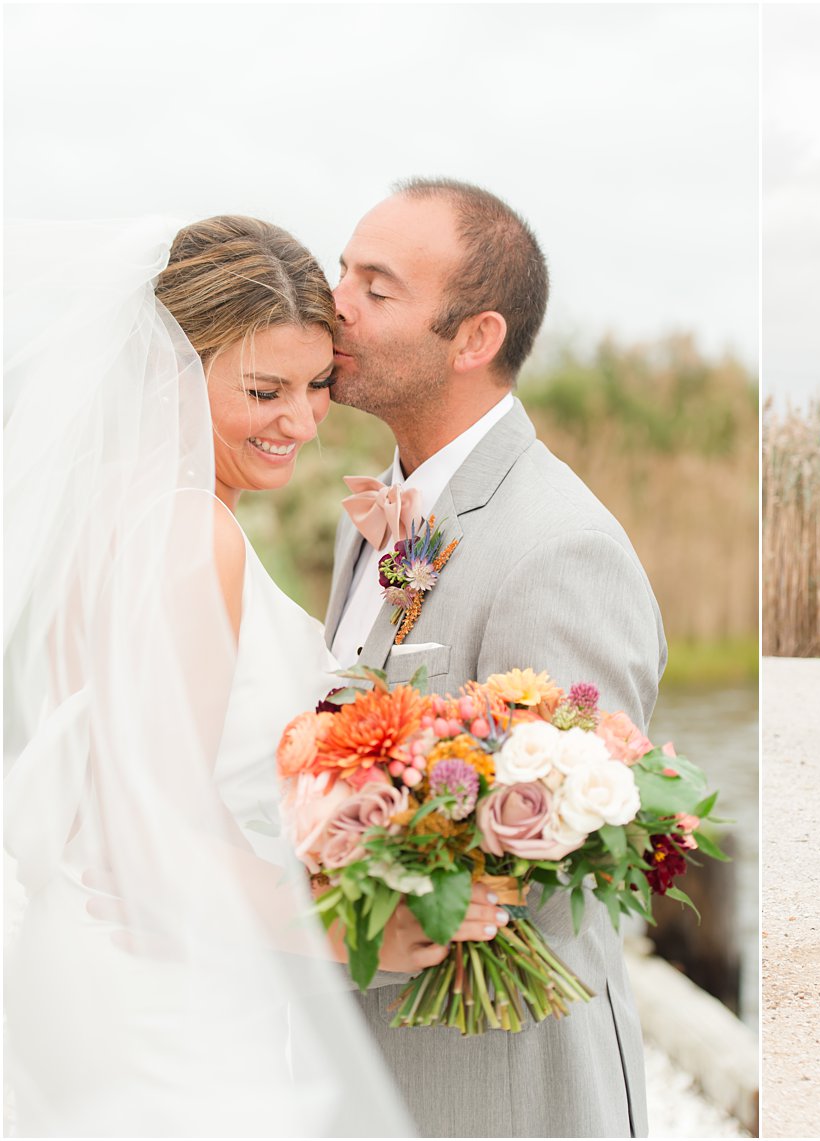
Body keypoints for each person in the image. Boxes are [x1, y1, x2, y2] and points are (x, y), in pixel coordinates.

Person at [3, 216, 412, 1133]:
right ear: (166, 370)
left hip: (82, 960)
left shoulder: (106, 512)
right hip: (159, 978)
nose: (301, 420)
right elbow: (156, 829)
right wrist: (360, 928)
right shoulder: (192, 531)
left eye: (317, 386)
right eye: (265, 389)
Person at [325, 178, 665, 1138]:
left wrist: (310, 924)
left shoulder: (560, 549)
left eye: (376, 288)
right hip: (371, 1076)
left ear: (473, 337)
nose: (335, 302)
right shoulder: (386, 517)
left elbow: (563, 876)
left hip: (498, 1092)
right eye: (342, 270)